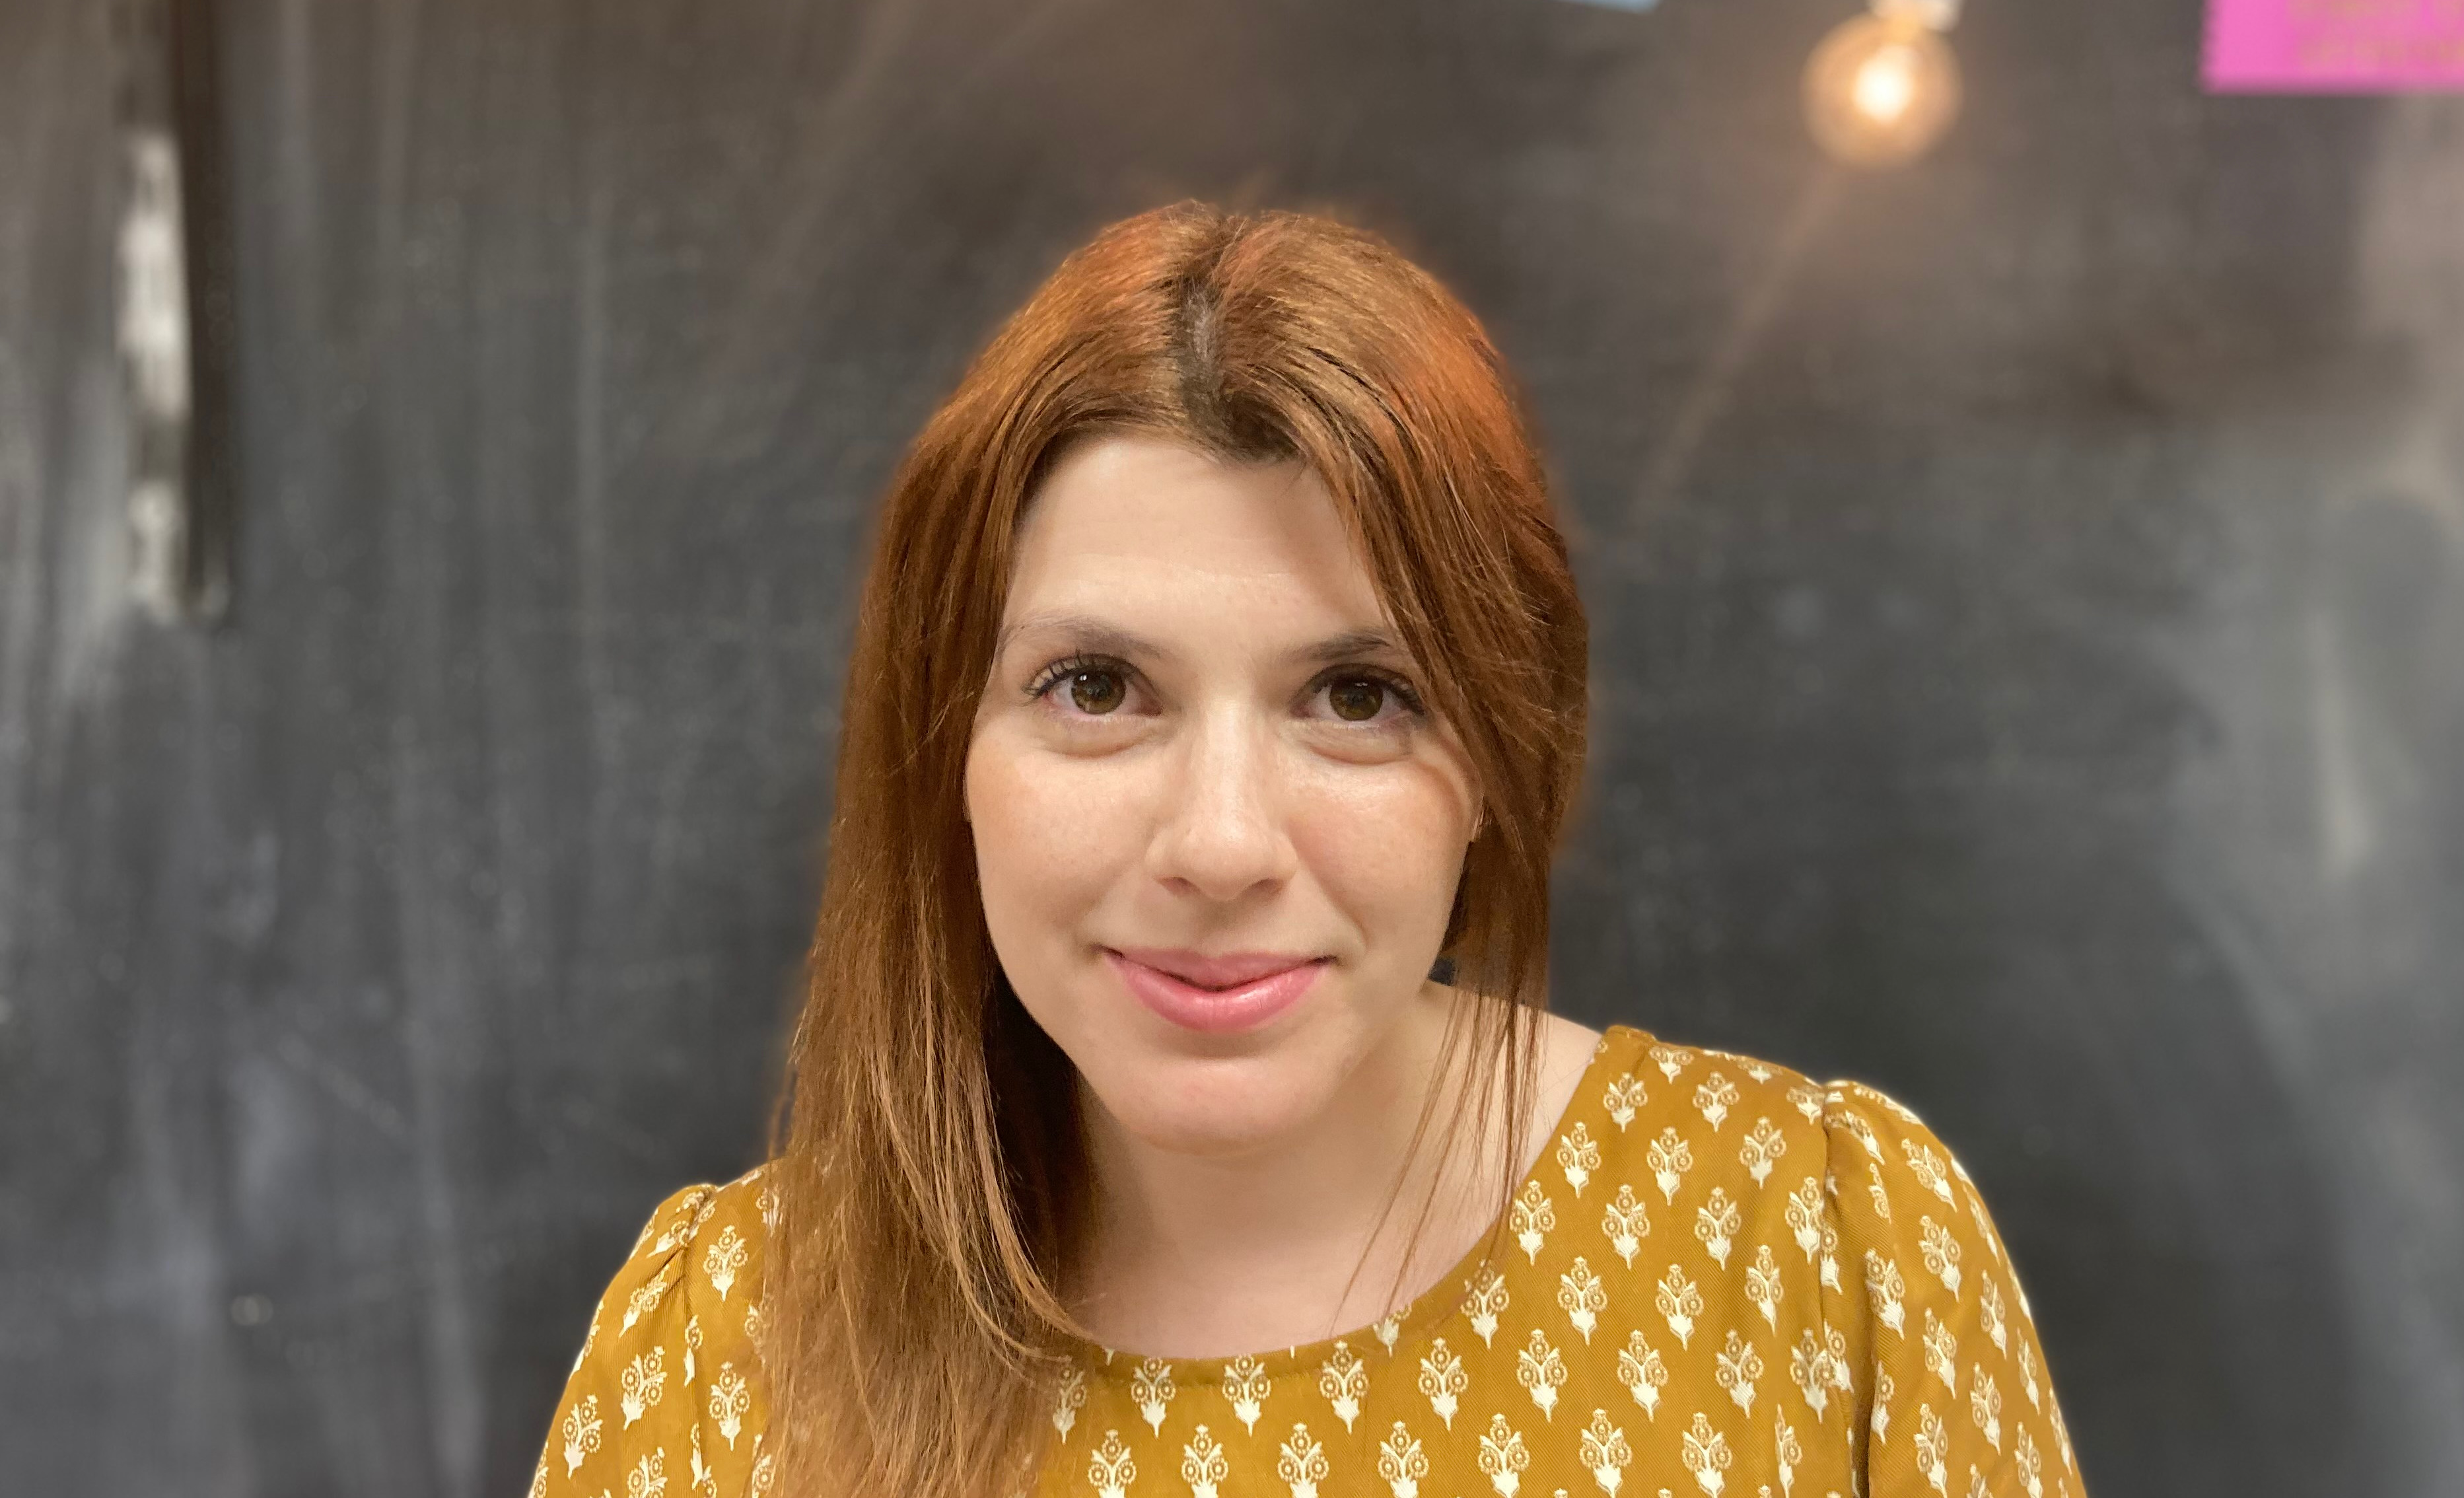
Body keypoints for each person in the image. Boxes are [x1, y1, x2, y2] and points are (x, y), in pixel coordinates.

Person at [530, 201, 2087, 1498]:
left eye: (1358, 696)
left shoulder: (1823, 1253)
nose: (1219, 844)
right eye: (1094, 689)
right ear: (947, 755)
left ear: (1495, 756)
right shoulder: (718, 1350)